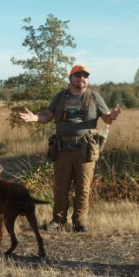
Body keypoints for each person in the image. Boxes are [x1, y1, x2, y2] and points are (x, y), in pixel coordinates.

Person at [19, 64, 122, 232]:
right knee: (61, 186)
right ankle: (58, 221)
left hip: (85, 149)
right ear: (70, 78)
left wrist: (112, 116)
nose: (81, 78)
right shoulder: (60, 97)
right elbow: (47, 116)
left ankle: (79, 222)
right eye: (78, 75)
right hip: (62, 149)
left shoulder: (94, 97)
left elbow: (107, 120)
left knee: (83, 186)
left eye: (85, 75)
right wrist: (35, 117)